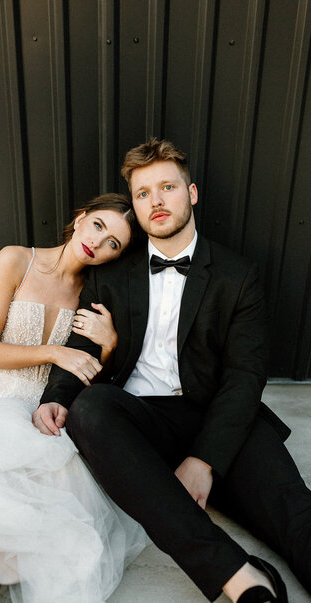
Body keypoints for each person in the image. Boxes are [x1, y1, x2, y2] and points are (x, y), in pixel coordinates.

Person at [36, 138, 311, 603]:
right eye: (143, 193)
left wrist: (205, 460)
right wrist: (57, 395)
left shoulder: (237, 274)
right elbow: (83, 340)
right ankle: (240, 576)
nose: (156, 201)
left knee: (293, 510)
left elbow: (245, 376)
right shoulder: (112, 270)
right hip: (139, 418)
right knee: (91, 409)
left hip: (218, 417)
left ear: (193, 193)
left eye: (168, 187)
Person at [0, 193, 148, 603]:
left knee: (44, 518)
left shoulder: (92, 296)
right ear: (80, 218)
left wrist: (107, 348)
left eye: (114, 243)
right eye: (98, 226)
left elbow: (90, 382)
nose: (99, 242)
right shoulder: (16, 259)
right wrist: (54, 350)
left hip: (44, 414)